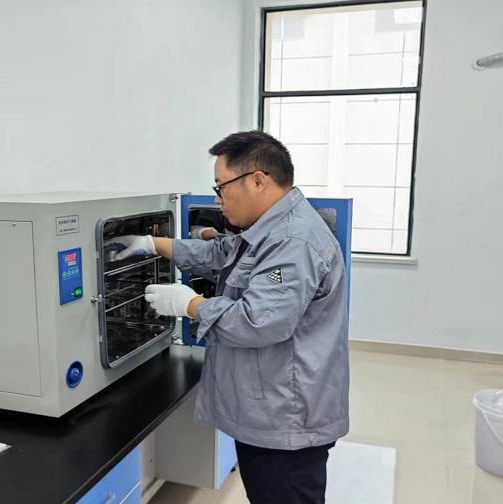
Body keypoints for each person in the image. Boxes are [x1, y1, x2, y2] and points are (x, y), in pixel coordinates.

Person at [106, 130, 349, 504]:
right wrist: (152, 244)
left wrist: (190, 304)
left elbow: (259, 322)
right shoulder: (273, 228)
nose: (218, 199)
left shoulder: (293, 240)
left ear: (257, 180)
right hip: (272, 409)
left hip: (286, 419)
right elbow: (222, 253)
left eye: (221, 187)